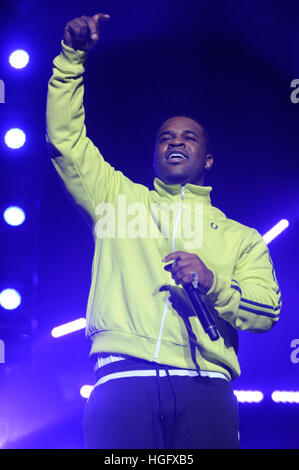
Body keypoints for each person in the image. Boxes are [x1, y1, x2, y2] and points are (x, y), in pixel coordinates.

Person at [46, 13, 281, 449]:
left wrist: (213, 283)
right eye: (165, 137)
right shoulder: (115, 199)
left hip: (206, 387)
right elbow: (66, 140)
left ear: (207, 159)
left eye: (189, 137)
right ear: (154, 155)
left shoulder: (241, 237)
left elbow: (267, 312)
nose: (176, 142)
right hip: (123, 381)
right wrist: (70, 59)